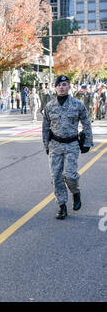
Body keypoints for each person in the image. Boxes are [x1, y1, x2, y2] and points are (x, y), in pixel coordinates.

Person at [42, 75, 93, 220]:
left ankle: (76, 193)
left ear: (69, 86)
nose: (62, 87)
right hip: (55, 145)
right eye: (59, 85)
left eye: (64, 84)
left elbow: (87, 123)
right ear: (55, 87)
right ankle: (62, 205)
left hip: (71, 144)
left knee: (70, 175)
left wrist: (87, 142)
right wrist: (46, 144)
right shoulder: (50, 106)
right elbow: (45, 127)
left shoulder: (78, 104)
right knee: (56, 176)